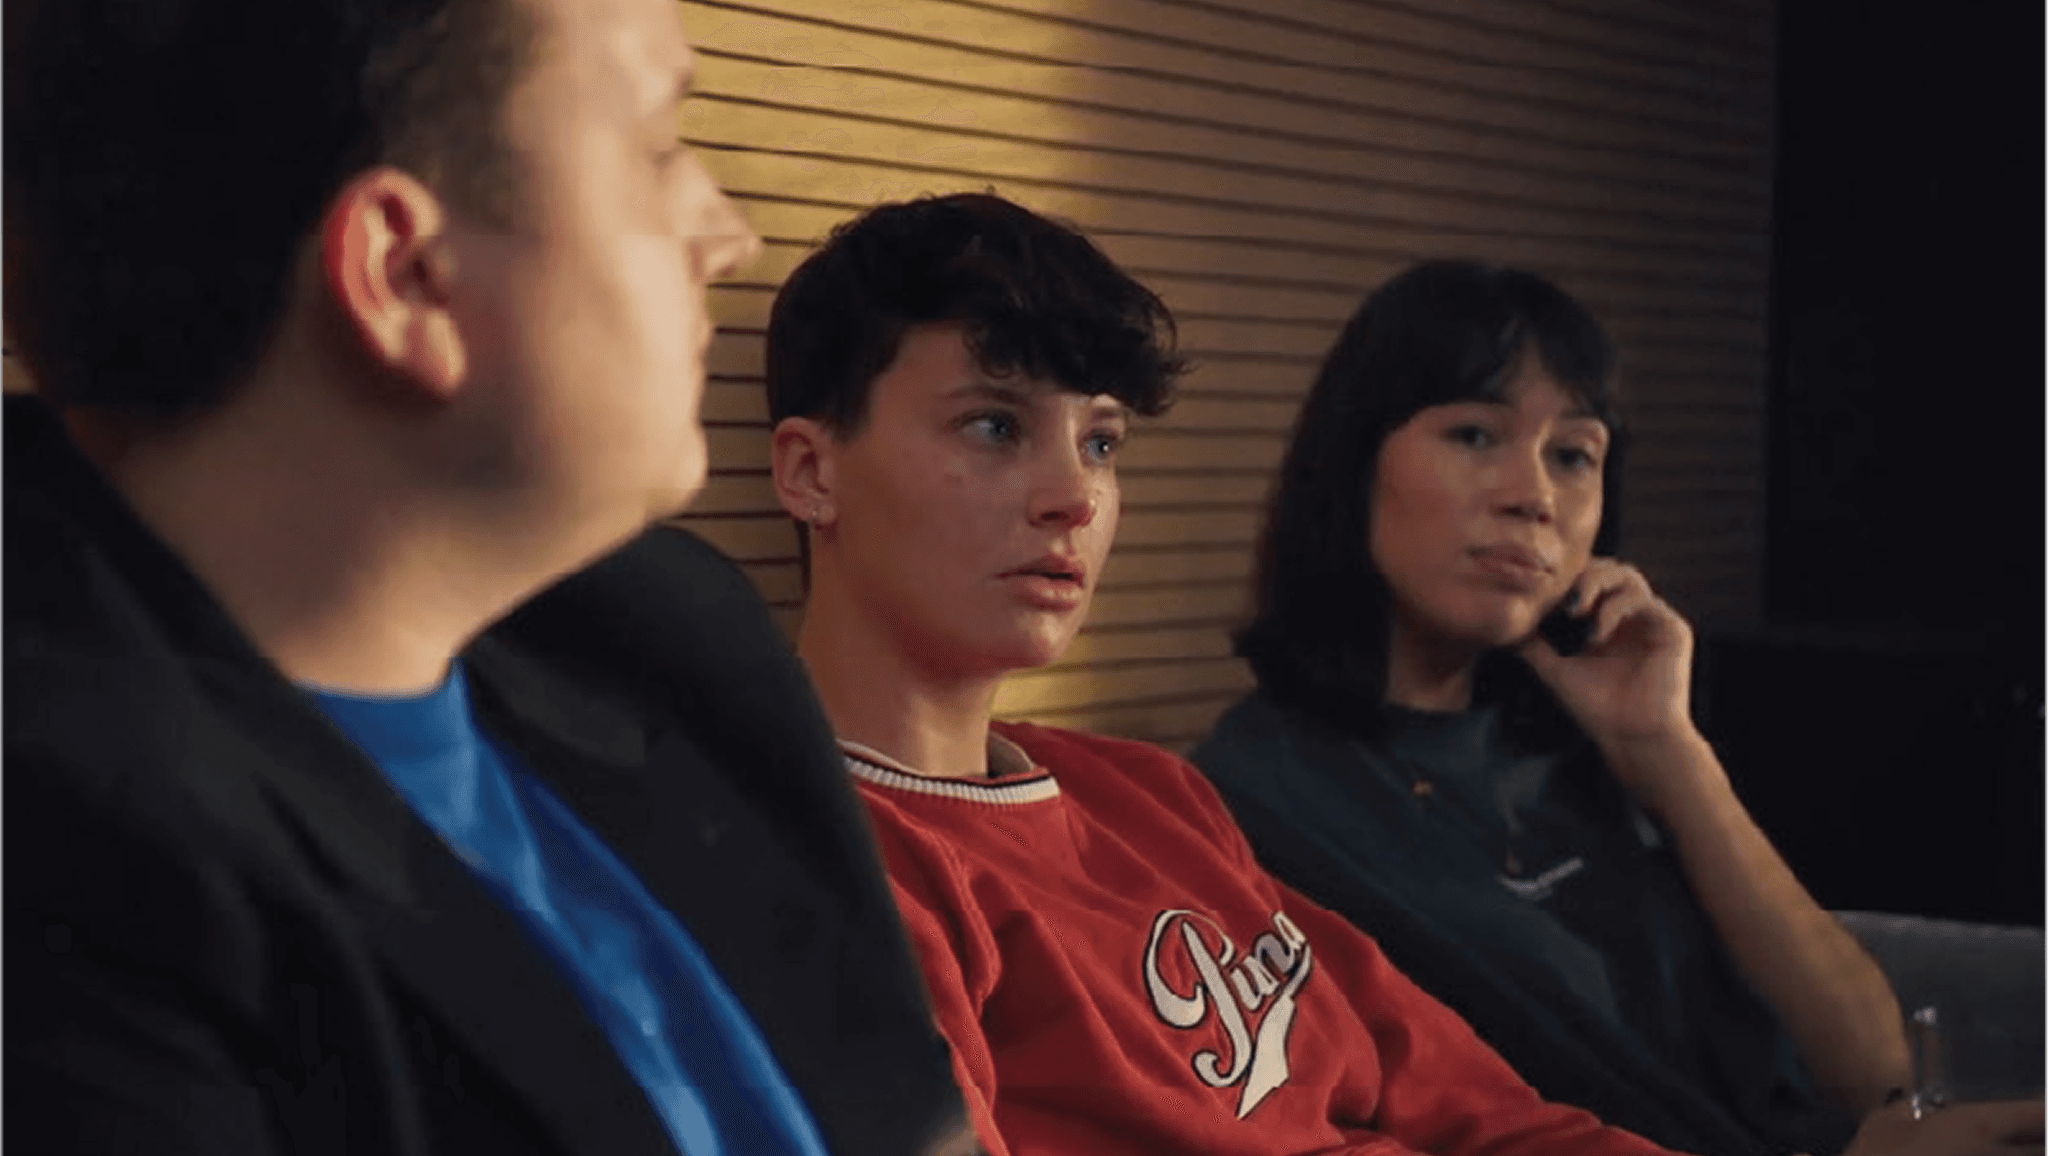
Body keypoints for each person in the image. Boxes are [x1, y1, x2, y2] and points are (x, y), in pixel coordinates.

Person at [1, 1, 973, 1153]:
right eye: (658, 145)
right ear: (407, 277)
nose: (727, 234)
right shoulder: (72, 871)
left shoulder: (672, 632)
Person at [762, 189, 1708, 1156]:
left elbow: (1488, 1111)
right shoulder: (838, 870)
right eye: (995, 427)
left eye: (1100, 443)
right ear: (810, 473)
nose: (1075, 499)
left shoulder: (1152, 793)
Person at [1186, 260, 2048, 1155]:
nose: (1534, 496)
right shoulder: (1254, 797)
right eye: (1476, 435)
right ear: (1355, 462)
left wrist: (1665, 746)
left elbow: (1875, 1068)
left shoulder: (1571, 738)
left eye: (1573, 455)